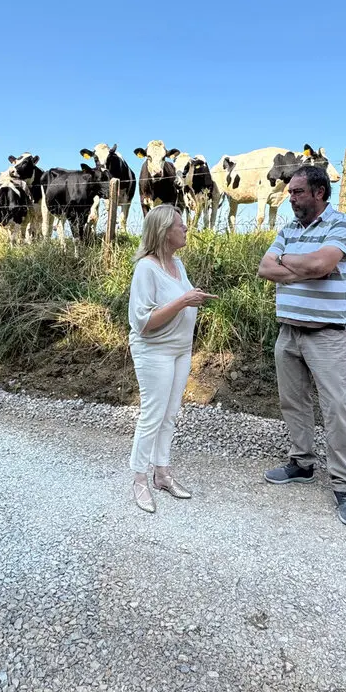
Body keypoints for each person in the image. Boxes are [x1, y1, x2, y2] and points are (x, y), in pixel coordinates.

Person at [256, 165, 346, 527]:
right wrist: (303, 267)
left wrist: (292, 264)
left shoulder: (340, 225)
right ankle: (301, 464)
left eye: (298, 192)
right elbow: (264, 269)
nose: (291, 198)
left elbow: (322, 263)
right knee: (294, 402)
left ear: (319, 192)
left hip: (328, 334)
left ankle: (344, 488)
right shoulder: (287, 229)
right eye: (290, 192)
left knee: (336, 408)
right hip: (288, 331)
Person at [127, 204, 217, 513]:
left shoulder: (178, 264)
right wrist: (183, 301)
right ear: (165, 232)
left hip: (180, 350)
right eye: (181, 225)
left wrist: (193, 299)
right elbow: (143, 322)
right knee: (152, 415)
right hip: (154, 350)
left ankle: (162, 474)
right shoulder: (146, 268)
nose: (186, 229)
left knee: (170, 414)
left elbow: (181, 300)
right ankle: (139, 479)